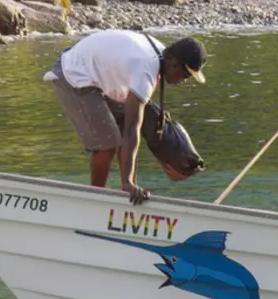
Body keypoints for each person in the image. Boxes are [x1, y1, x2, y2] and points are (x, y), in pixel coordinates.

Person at [45, 29, 205, 204]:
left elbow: (128, 128)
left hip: (97, 76)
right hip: (74, 74)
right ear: (174, 64)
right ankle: (95, 198)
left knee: (136, 122)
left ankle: (127, 189)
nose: (185, 80)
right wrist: (127, 183)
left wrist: (131, 186)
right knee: (107, 143)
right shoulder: (146, 69)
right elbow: (132, 128)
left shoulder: (160, 56)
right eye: (187, 74)